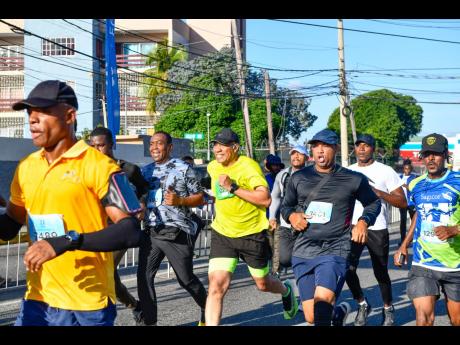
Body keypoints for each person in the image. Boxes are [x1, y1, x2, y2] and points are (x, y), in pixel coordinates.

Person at [0, 80, 142, 326]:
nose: (32, 120)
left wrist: (68, 241)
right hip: (38, 297)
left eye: (42, 112)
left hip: (87, 303)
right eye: (29, 113)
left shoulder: (99, 166)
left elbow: (130, 230)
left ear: (69, 115)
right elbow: (11, 224)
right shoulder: (26, 167)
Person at [281, 129, 381, 326]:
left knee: (322, 305)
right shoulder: (299, 177)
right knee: (311, 316)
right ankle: (340, 312)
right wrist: (292, 216)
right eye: (316, 146)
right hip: (303, 248)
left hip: (335, 248)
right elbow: (286, 206)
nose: (320, 151)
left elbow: (373, 203)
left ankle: (329, 314)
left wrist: (363, 221)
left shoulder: (353, 178)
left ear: (335, 148)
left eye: (325, 146)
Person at [205, 128, 297, 325]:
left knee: (263, 284)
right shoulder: (213, 167)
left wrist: (233, 187)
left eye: (223, 145)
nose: (217, 149)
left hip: (252, 235)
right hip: (223, 233)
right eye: (215, 145)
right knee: (215, 287)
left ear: (235, 147)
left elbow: (265, 200)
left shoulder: (248, 167)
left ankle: (286, 290)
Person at [134, 131, 208, 326]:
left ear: (170, 147)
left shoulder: (183, 168)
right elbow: (141, 197)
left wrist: (180, 200)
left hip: (177, 232)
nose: (154, 147)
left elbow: (200, 198)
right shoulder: (145, 171)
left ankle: (209, 306)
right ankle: (149, 322)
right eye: (151, 144)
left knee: (186, 279)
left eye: (159, 143)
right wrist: (140, 208)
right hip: (152, 231)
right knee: (144, 277)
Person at [394, 133, 460, 326]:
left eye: (436, 154)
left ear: (445, 155)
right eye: (427, 154)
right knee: (423, 319)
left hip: (455, 264)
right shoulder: (415, 184)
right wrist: (404, 245)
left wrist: (454, 229)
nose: (431, 158)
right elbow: (418, 215)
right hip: (424, 263)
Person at [346, 134, 407, 326]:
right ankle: (362, 304)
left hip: (377, 227)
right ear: (354, 149)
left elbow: (402, 202)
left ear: (373, 148)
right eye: (358, 146)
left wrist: (379, 193)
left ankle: (388, 308)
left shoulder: (385, 171)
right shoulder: (348, 171)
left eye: (366, 146)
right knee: (347, 269)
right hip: (353, 227)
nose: (362, 149)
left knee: (380, 272)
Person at [89, 126, 148, 310]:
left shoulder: (127, 169)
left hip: (121, 228)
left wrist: (143, 203)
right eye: (93, 146)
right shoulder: (88, 170)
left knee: (103, 272)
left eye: (101, 145)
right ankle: (134, 305)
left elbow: (145, 189)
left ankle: (102, 314)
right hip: (96, 229)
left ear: (112, 145)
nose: (96, 150)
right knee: (108, 275)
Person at [268, 145, 309, 276]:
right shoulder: (282, 174)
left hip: (307, 223)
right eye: (293, 154)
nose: (296, 157)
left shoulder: (313, 174)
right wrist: (272, 217)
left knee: (308, 257)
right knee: (284, 259)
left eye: (300, 154)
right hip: (286, 223)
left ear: (306, 157)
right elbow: (275, 197)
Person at [399, 159, 418, 244]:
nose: (407, 170)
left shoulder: (414, 178)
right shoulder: (399, 178)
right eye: (406, 169)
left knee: (413, 221)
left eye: (409, 169)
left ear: (411, 169)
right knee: (403, 222)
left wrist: (405, 186)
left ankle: (414, 238)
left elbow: (414, 189)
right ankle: (403, 240)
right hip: (402, 203)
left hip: (411, 203)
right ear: (403, 169)